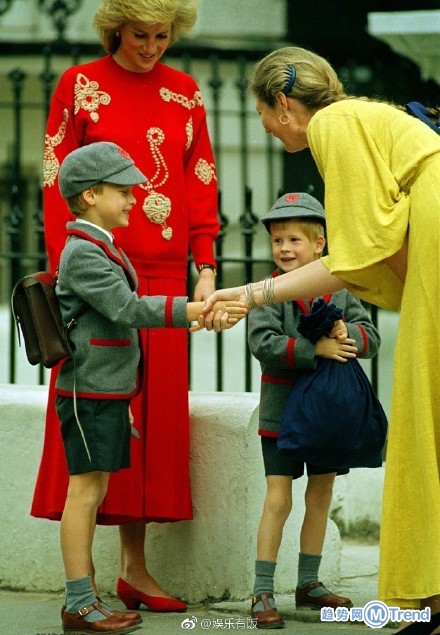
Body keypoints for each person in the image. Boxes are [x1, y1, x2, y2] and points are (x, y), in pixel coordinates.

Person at [202, 46, 440, 634]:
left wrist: (252, 294)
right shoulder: (362, 117)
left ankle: (427, 597)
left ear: (283, 104)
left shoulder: (332, 124)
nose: (262, 124)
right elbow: (368, 254)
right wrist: (255, 295)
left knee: (422, 421)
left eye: (261, 112)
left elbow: (355, 256)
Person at [32, 0, 220, 611]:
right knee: (102, 419)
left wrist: (205, 264)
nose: (152, 46)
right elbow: (55, 175)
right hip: (98, 277)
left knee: (150, 432)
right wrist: (66, 268)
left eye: (163, 36)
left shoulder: (187, 92)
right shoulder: (78, 84)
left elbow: (201, 178)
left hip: (165, 273)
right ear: (117, 28)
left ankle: (135, 570)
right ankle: (83, 588)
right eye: (141, 34)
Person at [53, 141, 243, 634]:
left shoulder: (99, 245)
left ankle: (85, 599)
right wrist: (197, 311)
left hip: (105, 391)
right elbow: (128, 309)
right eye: (123, 191)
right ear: (90, 194)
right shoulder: (85, 254)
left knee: (93, 491)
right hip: (89, 394)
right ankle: (79, 603)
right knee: (85, 493)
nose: (135, 199)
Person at [248, 192, 381, 629]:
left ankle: (309, 582)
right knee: (278, 499)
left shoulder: (340, 288)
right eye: (277, 241)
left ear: (320, 244)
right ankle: (262, 590)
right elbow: (262, 343)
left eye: (295, 241)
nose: (284, 249)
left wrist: (347, 337)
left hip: (327, 415)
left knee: (320, 496)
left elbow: (370, 337)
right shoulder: (266, 292)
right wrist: (313, 348)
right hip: (281, 413)